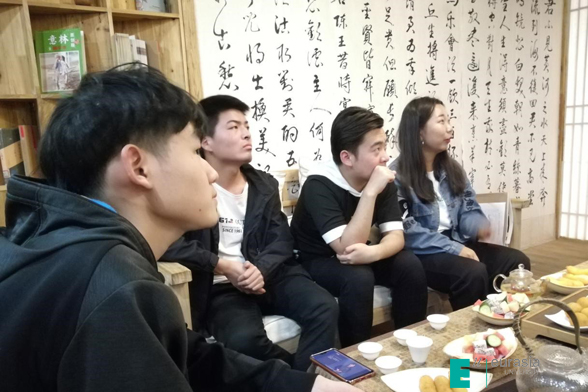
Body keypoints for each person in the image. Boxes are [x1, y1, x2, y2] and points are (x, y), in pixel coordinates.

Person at [0, 67, 393, 392]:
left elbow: (189, 358)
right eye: (194, 151)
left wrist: (304, 389)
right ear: (138, 166)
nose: (210, 173)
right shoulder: (114, 290)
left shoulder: (73, 250)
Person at [162, 95, 338, 372]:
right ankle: (301, 381)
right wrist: (221, 265)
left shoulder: (263, 184)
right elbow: (169, 245)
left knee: (324, 307)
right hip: (221, 286)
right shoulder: (187, 188)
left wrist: (260, 269)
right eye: (233, 127)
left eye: (246, 126)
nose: (246, 134)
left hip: (270, 275)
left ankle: (305, 386)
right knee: (243, 340)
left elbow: (281, 238)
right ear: (205, 142)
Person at [290, 106, 428, 348]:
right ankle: (356, 356)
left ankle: (410, 347)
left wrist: (374, 252)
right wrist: (370, 192)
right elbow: (346, 249)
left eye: (384, 146)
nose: (385, 156)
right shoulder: (319, 184)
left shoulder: (380, 178)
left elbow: (396, 237)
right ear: (347, 157)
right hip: (315, 261)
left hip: (361, 252)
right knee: (358, 277)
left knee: (409, 265)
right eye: (376, 149)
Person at [389, 96, 531, 310]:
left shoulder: (452, 169)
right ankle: (471, 326)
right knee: (472, 272)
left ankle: (499, 317)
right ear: (419, 132)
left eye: (449, 120)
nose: (449, 128)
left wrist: (477, 224)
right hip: (424, 251)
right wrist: (454, 248)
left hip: (457, 241)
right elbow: (408, 231)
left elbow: (469, 207)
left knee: (516, 262)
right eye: (441, 121)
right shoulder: (398, 175)